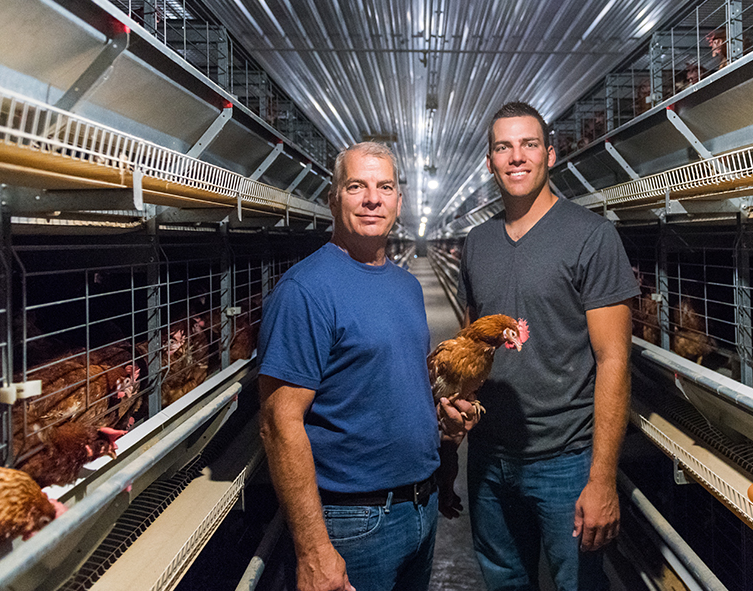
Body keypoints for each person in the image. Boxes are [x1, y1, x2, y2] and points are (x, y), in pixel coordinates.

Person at [444, 102, 640, 590]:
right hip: (489, 459)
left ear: (550, 154)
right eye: (503, 147)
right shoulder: (477, 243)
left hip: (566, 461)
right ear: (489, 161)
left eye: (529, 145)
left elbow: (614, 361)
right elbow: (474, 342)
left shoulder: (592, 237)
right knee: (505, 582)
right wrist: (459, 412)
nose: (517, 157)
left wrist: (601, 478)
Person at [257, 142, 470, 591]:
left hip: (421, 507)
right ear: (334, 198)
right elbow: (279, 422)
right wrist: (314, 550)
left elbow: (385, 385)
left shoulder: (406, 285)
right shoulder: (306, 290)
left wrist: (437, 419)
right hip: (353, 522)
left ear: (398, 201)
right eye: (357, 186)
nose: (373, 198)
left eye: (385, 187)